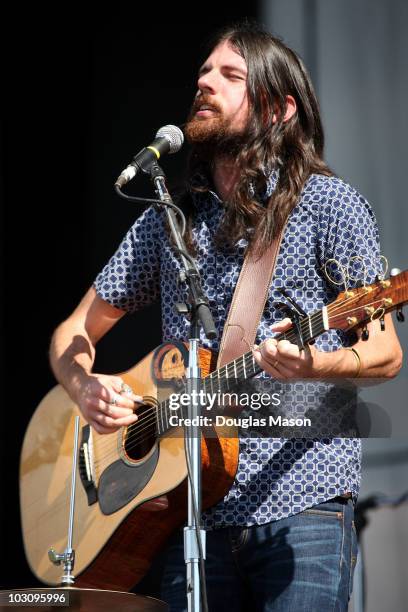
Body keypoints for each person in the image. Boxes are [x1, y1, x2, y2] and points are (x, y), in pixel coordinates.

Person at [49, 22, 403, 612]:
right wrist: (82, 385)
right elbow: (73, 330)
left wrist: (317, 362)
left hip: (302, 507)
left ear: (279, 108)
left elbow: (386, 352)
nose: (204, 83)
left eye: (230, 75)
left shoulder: (327, 205)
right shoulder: (169, 223)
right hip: (190, 514)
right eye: (204, 73)